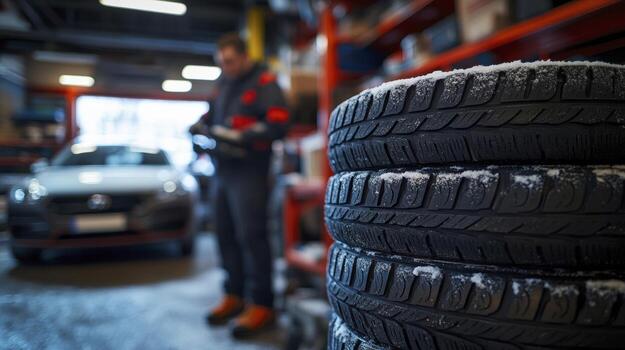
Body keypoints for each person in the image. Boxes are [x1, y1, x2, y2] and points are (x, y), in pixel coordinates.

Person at [189, 33, 289, 338]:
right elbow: (210, 115)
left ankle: (262, 304)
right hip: (223, 171)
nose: (227, 67)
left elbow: (278, 124)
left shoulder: (265, 82)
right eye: (222, 63)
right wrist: (199, 126)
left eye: (230, 61)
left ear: (244, 56)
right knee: (225, 234)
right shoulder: (224, 85)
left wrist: (242, 135)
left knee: (252, 236)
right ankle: (234, 295)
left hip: (250, 172)